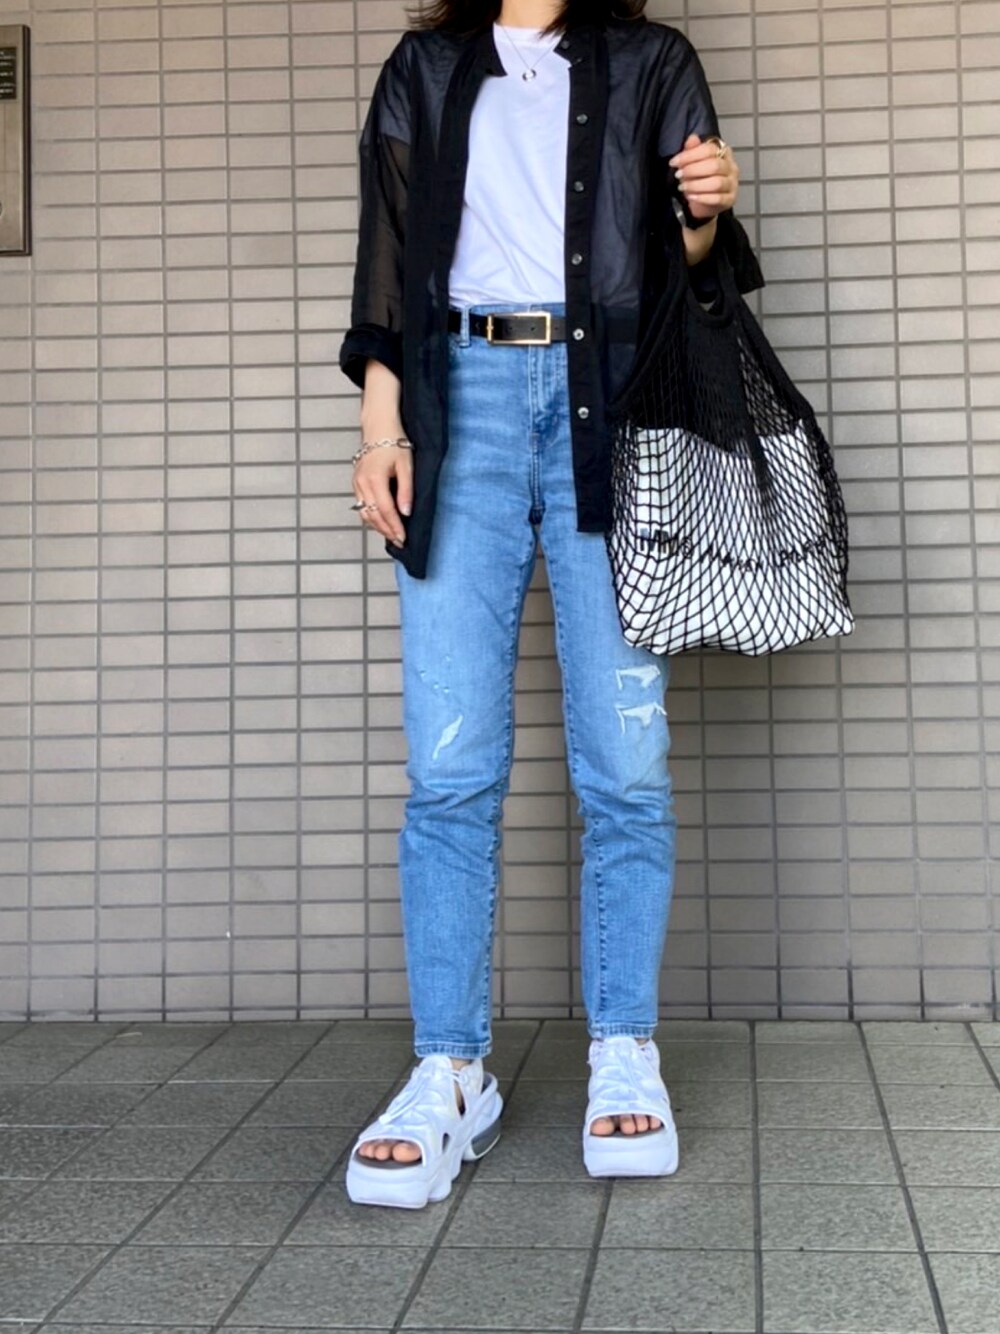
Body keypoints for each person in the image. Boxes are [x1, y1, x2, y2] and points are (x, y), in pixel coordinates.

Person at [338, 0, 758, 1210]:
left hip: (607, 403)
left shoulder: (652, 59)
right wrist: (381, 432)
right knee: (448, 765)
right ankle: (449, 1069)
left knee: (624, 763)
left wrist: (707, 208)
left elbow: (682, 262)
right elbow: (387, 255)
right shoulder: (425, 66)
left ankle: (624, 1046)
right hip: (454, 404)